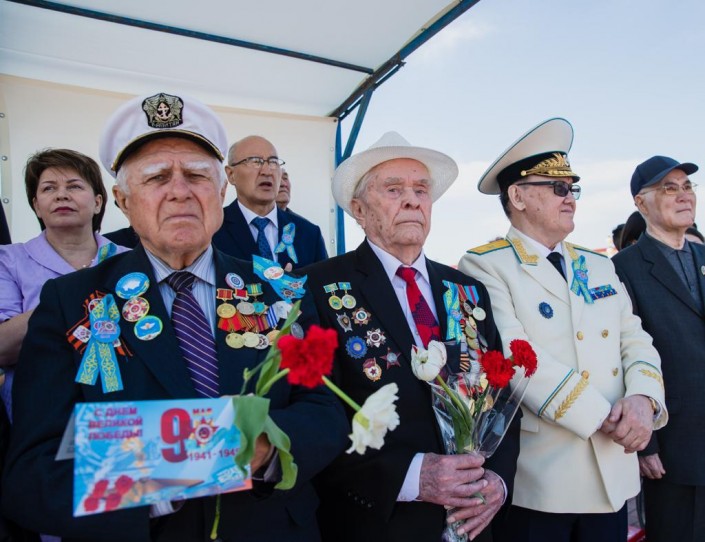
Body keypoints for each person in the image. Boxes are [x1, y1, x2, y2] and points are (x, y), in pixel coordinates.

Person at [2, 92, 348, 541]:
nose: (180, 191)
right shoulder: (69, 301)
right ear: (123, 201)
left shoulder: (283, 290)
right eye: (157, 177)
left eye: (197, 175)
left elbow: (326, 410)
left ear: (220, 193)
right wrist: (180, 469)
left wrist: (267, 446)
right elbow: (31, 470)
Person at [303, 132, 520, 542]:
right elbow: (314, 416)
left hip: (473, 520)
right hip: (380, 524)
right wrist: (410, 476)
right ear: (358, 210)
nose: (412, 200)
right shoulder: (317, 287)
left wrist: (498, 480)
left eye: (421, 190)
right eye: (393, 189)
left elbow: (502, 393)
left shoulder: (466, 288)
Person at [458, 118, 667, 542]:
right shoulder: (485, 265)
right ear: (517, 196)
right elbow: (516, 356)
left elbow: (635, 339)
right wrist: (606, 417)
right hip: (543, 480)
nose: (570, 197)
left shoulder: (598, 264)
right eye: (557, 187)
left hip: (612, 471)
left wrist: (644, 400)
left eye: (573, 187)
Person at [612, 155, 704, 542]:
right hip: (673, 448)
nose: (684, 195)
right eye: (669, 188)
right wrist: (646, 443)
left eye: (687, 186)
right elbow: (620, 355)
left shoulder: (702, 256)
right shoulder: (623, 268)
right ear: (641, 202)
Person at [0, 149, 128, 421]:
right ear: (36, 206)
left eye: (74, 186)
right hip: (40, 416)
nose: (61, 195)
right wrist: (74, 300)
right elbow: (3, 348)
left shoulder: (131, 261)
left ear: (97, 202)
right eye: (49, 188)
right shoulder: (9, 260)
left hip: (124, 414)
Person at [213, 136, 328, 269]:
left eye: (273, 162)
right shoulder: (213, 229)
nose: (267, 171)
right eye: (255, 161)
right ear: (231, 174)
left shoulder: (309, 234)